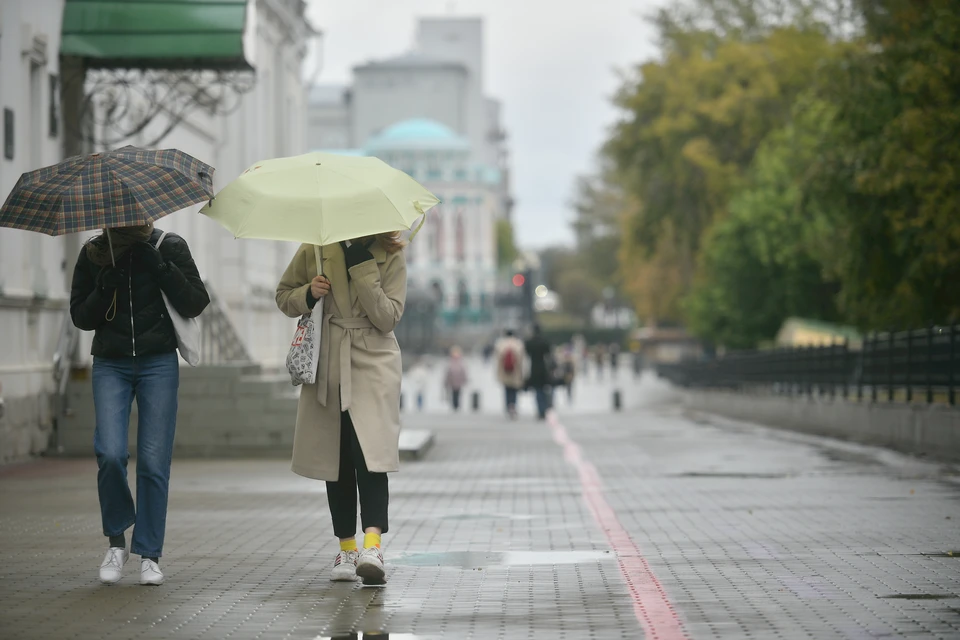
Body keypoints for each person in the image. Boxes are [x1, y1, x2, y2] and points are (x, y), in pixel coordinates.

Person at [69, 222, 209, 586]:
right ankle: (117, 543)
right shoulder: (95, 252)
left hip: (158, 362)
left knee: (153, 461)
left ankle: (149, 554)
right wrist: (105, 286)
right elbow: (80, 317)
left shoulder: (168, 245)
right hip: (110, 363)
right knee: (110, 452)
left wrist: (160, 267)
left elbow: (196, 301)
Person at [276, 232, 406, 586]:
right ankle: (347, 549)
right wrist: (309, 292)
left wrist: (362, 268)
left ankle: (373, 547)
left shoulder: (390, 254)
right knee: (337, 456)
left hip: (374, 360)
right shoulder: (316, 248)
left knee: (371, 455)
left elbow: (388, 317)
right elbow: (284, 296)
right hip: (330, 361)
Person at [524, 324, 554, 420]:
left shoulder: (529, 342)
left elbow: (526, 353)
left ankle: (540, 410)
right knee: (544, 390)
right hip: (543, 368)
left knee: (537, 391)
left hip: (534, 368)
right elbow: (549, 354)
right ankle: (544, 409)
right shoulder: (544, 341)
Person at [494, 329, 525, 418]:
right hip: (515, 371)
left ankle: (508, 406)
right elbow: (522, 360)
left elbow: (497, 359)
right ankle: (513, 405)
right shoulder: (518, 344)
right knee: (514, 390)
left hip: (504, 371)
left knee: (507, 389)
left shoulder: (500, 344)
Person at [444, 346, 468, 411]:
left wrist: (465, 379)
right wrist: (446, 381)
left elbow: (464, 372)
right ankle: (454, 405)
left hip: (459, 381)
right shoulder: (450, 362)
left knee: (458, 393)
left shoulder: (461, 362)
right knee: (453, 393)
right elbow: (447, 372)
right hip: (452, 381)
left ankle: (457, 405)